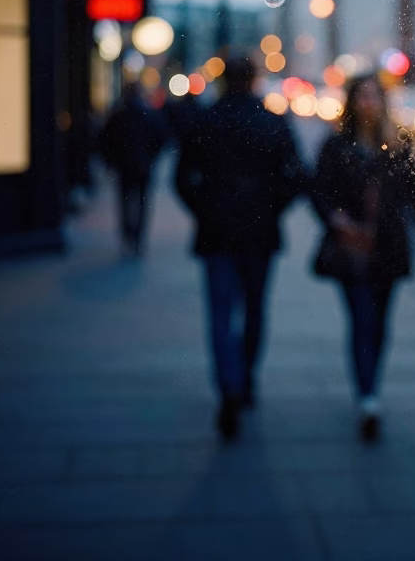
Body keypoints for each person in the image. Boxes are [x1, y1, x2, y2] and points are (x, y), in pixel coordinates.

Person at [174, 56, 307, 442]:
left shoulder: (205, 120)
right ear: (254, 80)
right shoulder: (272, 121)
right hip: (259, 232)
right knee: (253, 307)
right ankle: (246, 377)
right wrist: (273, 209)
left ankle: (228, 384)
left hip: (216, 231)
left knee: (219, 312)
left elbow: (182, 177)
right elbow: (295, 176)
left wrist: (203, 209)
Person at [311, 73, 415, 443]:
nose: (368, 103)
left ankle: (370, 388)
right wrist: (335, 218)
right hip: (351, 248)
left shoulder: (398, 144)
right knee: (361, 320)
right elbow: (318, 191)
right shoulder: (336, 145)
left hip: (389, 246)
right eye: (362, 96)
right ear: (351, 102)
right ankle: (367, 397)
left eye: (374, 96)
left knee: (380, 325)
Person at [97, 81, 169, 257]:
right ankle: (137, 237)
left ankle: (128, 235)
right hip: (143, 166)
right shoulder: (148, 114)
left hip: (124, 167)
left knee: (125, 201)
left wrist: (111, 161)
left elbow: (104, 141)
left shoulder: (118, 116)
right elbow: (161, 137)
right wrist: (151, 156)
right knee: (142, 203)